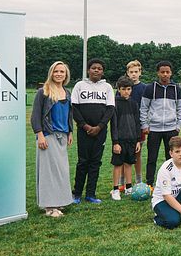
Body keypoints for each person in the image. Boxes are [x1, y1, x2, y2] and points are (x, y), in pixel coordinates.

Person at [31, 61, 74, 217]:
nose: (59, 74)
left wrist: (70, 132)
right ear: (51, 73)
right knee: (48, 172)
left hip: (62, 136)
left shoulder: (67, 92)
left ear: (66, 74)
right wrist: (40, 134)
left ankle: (60, 201)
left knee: (61, 170)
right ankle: (49, 207)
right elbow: (35, 116)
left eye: (62, 72)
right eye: (56, 71)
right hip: (48, 135)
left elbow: (69, 114)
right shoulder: (43, 92)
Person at [71, 58, 115, 204]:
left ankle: (90, 194)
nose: (96, 70)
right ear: (88, 70)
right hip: (84, 131)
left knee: (95, 162)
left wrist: (99, 127)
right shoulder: (79, 85)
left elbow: (110, 109)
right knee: (83, 162)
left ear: (102, 71)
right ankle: (76, 194)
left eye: (99, 68)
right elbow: (74, 108)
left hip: (100, 131)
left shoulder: (107, 87)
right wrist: (85, 126)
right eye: (94, 68)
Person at [140, 61, 181, 186]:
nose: (165, 74)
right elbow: (143, 108)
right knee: (151, 158)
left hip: (171, 129)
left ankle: (172, 182)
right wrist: (144, 125)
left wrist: (178, 126)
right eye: (162, 72)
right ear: (158, 73)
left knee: (171, 158)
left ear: (171, 73)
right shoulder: (150, 88)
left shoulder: (177, 89)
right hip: (154, 129)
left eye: (167, 72)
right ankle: (149, 183)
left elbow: (180, 108)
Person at [109, 76, 142, 201]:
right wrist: (115, 142)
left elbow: (137, 122)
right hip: (120, 139)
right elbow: (114, 124)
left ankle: (128, 187)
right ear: (118, 89)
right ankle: (116, 189)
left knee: (129, 163)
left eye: (129, 89)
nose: (126, 91)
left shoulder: (134, 104)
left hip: (132, 139)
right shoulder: (115, 104)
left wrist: (138, 139)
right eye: (123, 89)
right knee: (118, 164)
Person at [124, 60, 146, 185]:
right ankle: (122, 182)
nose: (133, 74)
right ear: (127, 73)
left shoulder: (144, 88)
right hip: (125, 126)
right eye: (131, 72)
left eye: (136, 72)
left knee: (137, 153)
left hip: (138, 126)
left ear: (140, 72)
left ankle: (138, 181)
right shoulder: (123, 86)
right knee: (123, 154)